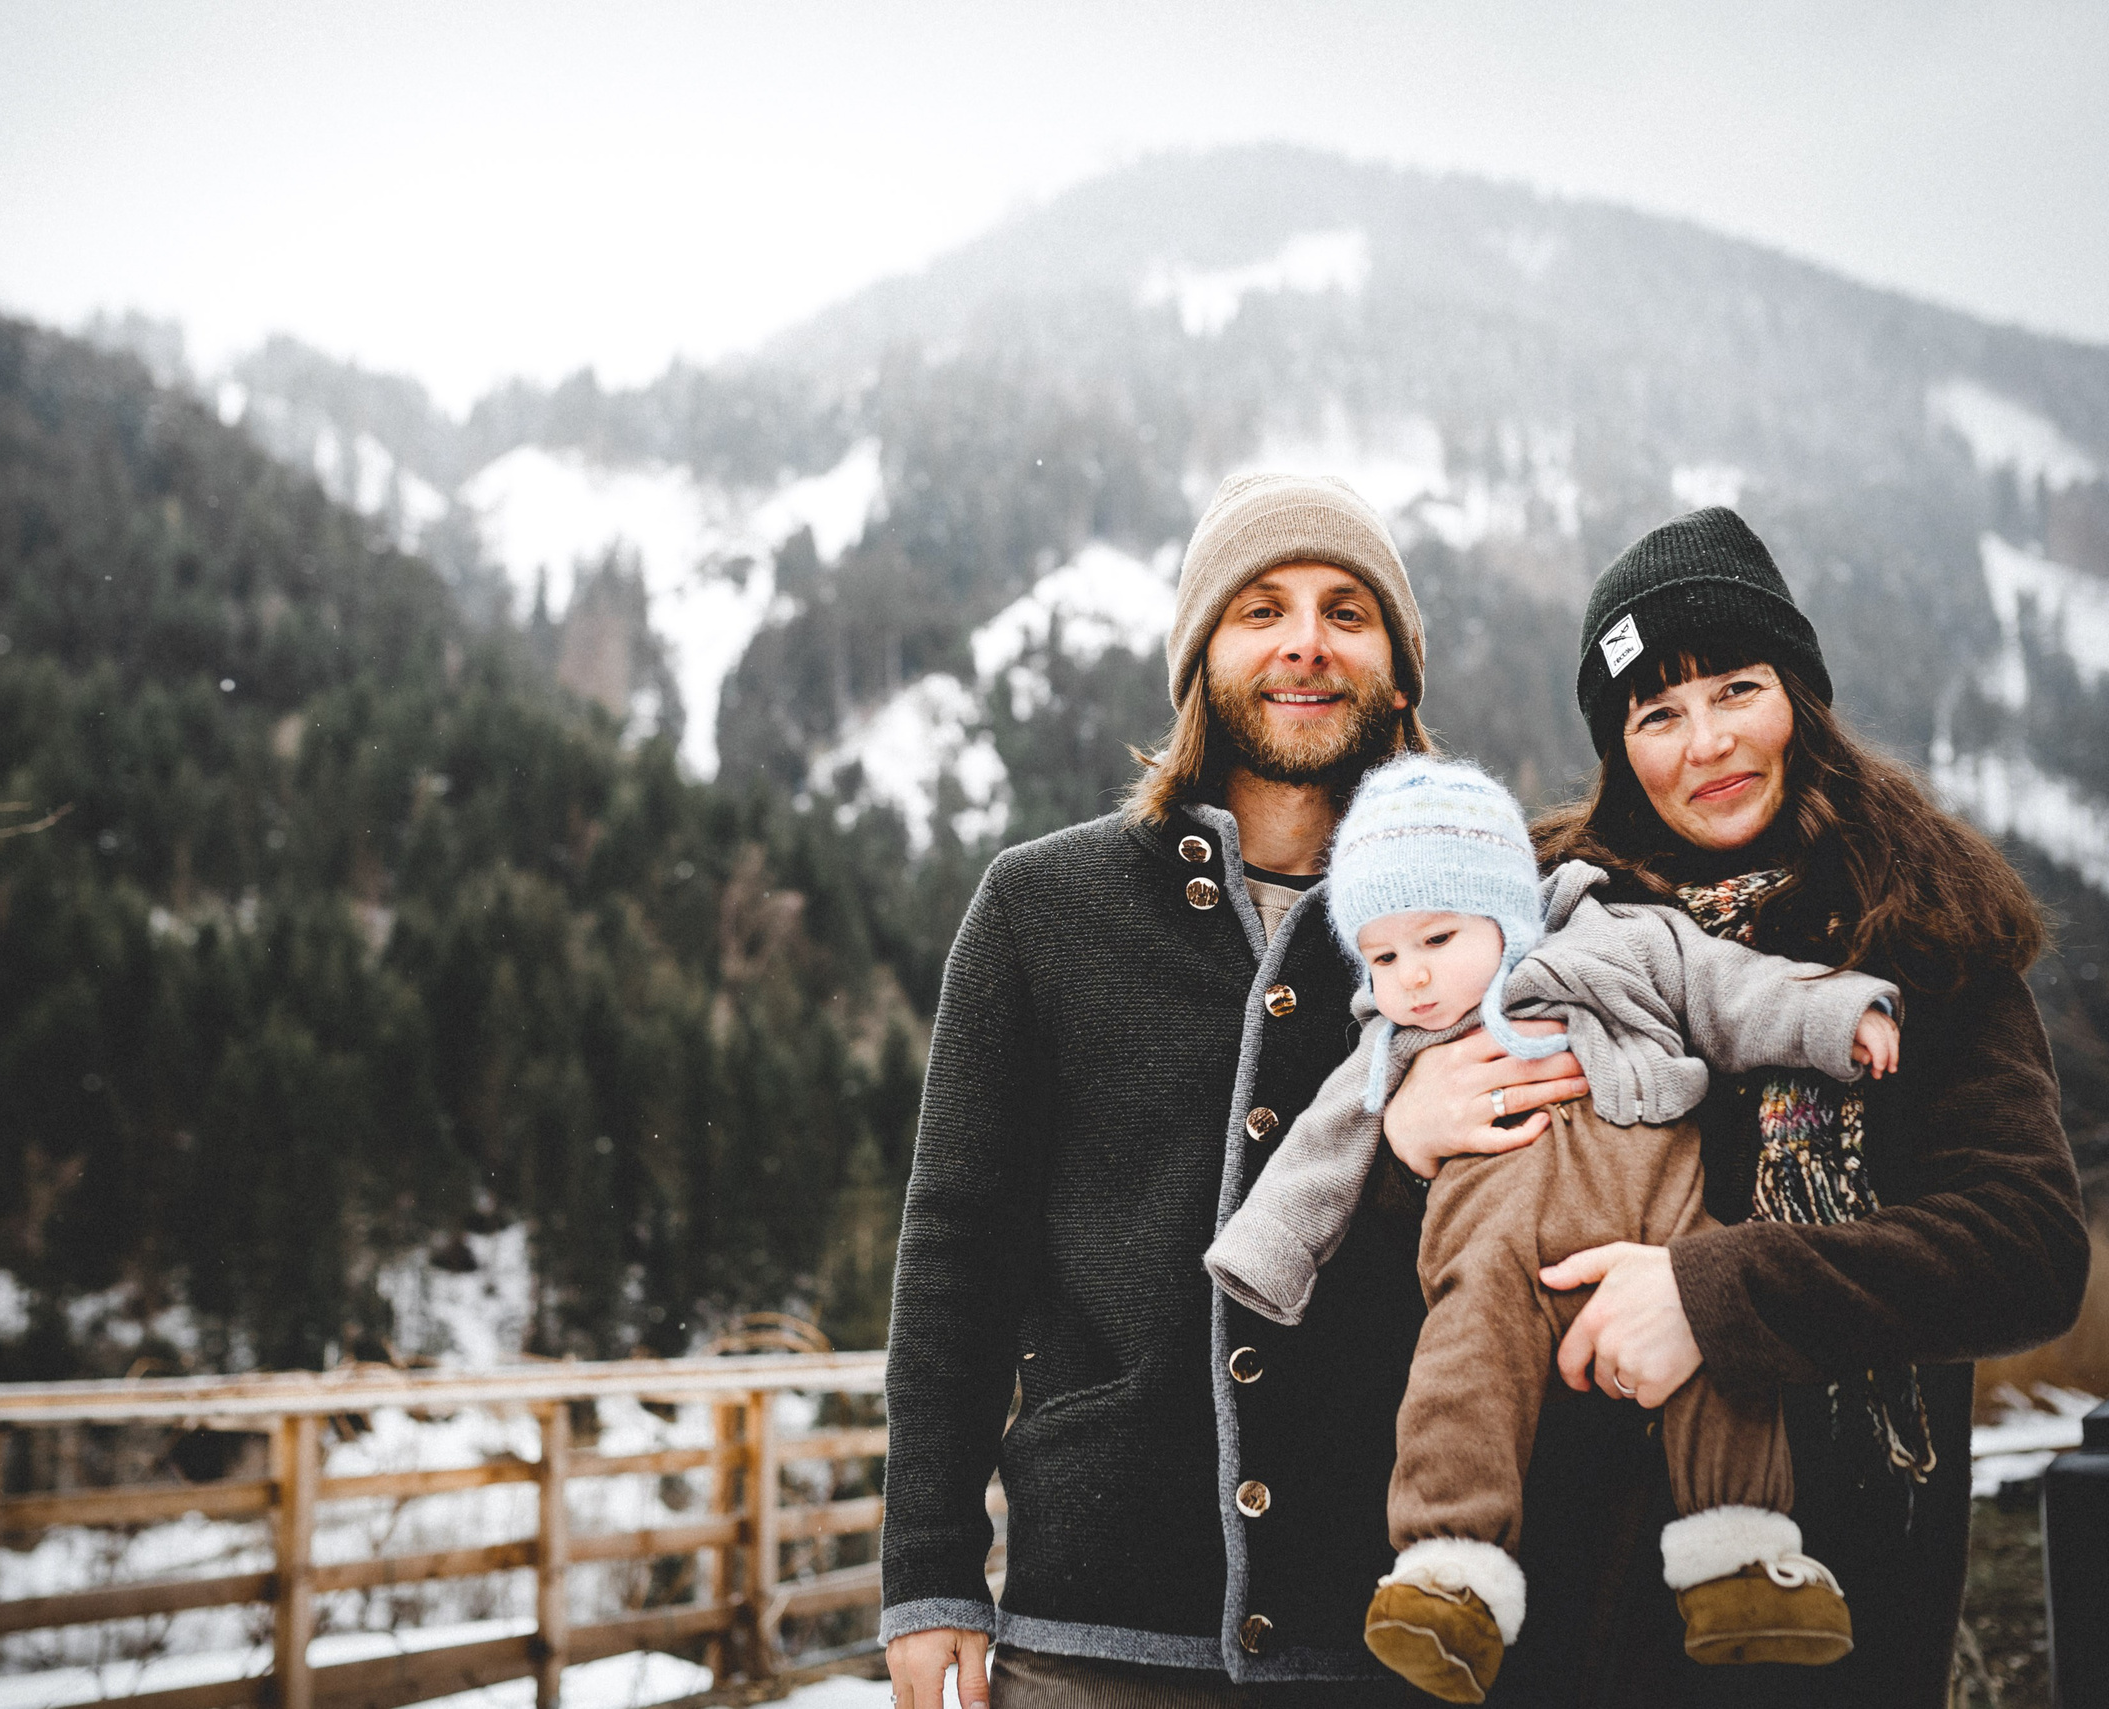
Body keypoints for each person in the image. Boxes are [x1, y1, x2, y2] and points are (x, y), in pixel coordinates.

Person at [879, 473, 1585, 1709]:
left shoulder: (1494, 928)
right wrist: (929, 1570)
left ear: (1401, 674)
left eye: (1345, 611)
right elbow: (957, 1254)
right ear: (1201, 657)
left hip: (1395, 1630)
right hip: (1097, 1633)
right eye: (1261, 608)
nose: (1305, 640)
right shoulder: (1041, 910)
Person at [1379, 507, 2089, 1705]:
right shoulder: (1543, 928)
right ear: (1620, 745)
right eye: (1656, 713)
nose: (1703, 742)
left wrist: (1715, 1296)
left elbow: (2025, 1249)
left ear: (1798, 697)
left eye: (1734, 689)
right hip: (1562, 1613)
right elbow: (1411, 1222)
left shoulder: (1921, 931)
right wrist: (1404, 1142)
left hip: (1833, 1605)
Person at [1203, 755, 1901, 1702]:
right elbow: (1324, 1149)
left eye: (1435, 938)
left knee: (1718, 1347)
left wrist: (1836, 1013)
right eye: (1381, 956)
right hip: (1492, 1243)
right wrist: (1263, 1254)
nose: (1408, 979)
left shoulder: (1622, 941)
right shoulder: (1394, 1043)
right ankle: (1450, 1568)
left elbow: (1734, 991)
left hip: (1661, 1214)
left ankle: (1743, 1560)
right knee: (1464, 1369)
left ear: (1504, 905)